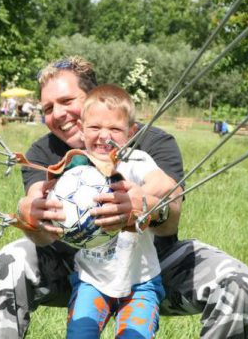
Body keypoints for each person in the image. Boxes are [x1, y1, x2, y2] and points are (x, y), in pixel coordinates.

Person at [0, 56, 248, 339]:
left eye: (67, 101)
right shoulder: (43, 152)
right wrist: (29, 214)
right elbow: (40, 228)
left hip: (150, 268)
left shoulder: (151, 143)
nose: (59, 114)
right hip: (75, 269)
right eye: (48, 108)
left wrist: (145, 207)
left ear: (94, 97)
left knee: (239, 281)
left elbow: (170, 219)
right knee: (11, 259)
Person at [54, 84, 168, 338]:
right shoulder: (75, 169)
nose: (104, 135)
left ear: (131, 133)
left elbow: (164, 184)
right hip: (91, 280)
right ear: (82, 130)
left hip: (141, 282)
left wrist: (143, 198)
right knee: (80, 333)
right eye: (95, 127)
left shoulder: (135, 160)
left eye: (115, 129)